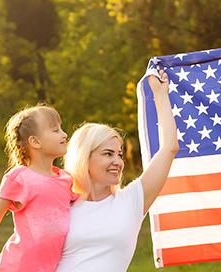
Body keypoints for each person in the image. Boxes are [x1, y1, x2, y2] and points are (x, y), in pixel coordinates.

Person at [55, 70, 179, 271]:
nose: (118, 162)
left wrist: (160, 95)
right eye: (108, 154)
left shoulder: (130, 201)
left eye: (119, 155)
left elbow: (169, 148)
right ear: (85, 157)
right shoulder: (60, 205)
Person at [0, 105, 76, 272]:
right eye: (55, 130)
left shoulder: (66, 180)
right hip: (16, 267)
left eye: (61, 129)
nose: (64, 134)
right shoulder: (19, 178)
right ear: (35, 142)